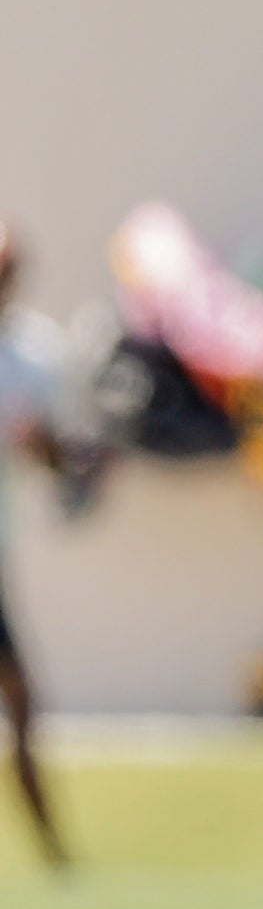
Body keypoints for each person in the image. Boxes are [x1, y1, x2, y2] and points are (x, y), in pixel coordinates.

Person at [0, 224, 73, 870]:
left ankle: (54, 854)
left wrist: (41, 444)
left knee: (23, 706)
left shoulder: (30, 354)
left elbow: (55, 458)